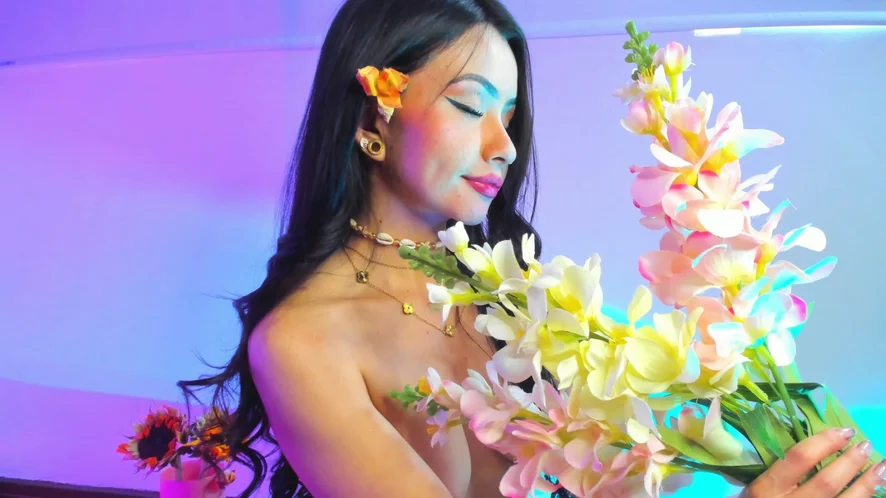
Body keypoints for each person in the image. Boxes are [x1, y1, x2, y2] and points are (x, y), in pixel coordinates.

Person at [178, 1, 885, 497]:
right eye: (469, 105)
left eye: (509, 116)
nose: (506, 146)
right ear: (374, 113)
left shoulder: (509, 292)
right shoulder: (303, 341)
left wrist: (750, 453)